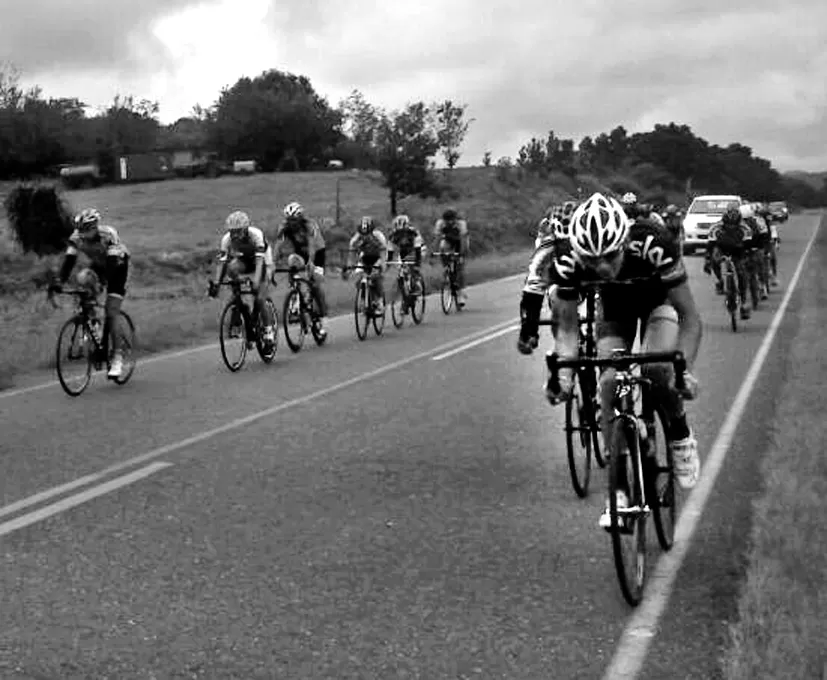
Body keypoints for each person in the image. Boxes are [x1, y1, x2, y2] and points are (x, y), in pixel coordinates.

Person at [519, 192, 702, 527]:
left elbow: (690, 318)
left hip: (656, 304)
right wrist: (562, 378)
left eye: (609, 255)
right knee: (607, 384)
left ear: (624, 241)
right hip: (615, 310)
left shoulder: (653, 243)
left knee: (658, 370)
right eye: (592, 261)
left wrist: (684, 370)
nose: (602, 267)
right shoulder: (566, 263)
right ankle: (617, 490)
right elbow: (568, 330)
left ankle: (679, 430)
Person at [51, 208, 130, 379]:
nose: (83, 234)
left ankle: (117, 357)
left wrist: (102, 283)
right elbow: (68, 262)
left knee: (111, 312)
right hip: (100, 266)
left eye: (86, 229)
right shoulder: (76, 238)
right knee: (83, 279)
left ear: (95, 227)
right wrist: (58, 281)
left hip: (117, 266)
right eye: (80, 230)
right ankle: (94, 327)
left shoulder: (108, 235)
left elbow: (111, 265)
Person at [208, 210, 276, 346]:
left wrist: (256, 282)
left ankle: (269, 331)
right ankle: (238, 300)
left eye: (238, 231)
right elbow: (222, 262)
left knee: (260, 298)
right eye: (232, 231)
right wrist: (216, 283)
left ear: (245, 229)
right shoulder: (226, 239)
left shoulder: (256, 235)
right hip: (244, 259)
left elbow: (259, 262)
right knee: (231, 267)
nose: (235, 235)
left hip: (263, 261)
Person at [273, 201, 328, 339]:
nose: (292, 223)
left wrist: (310, 262)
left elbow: (312, 246)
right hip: (300, 253)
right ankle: (295, 295)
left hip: (318, 252)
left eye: (294, 220)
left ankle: (323, 319)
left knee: (315, 283)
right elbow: (278, 245)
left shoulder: (309, 225)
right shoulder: (284, 227)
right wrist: (273, 263)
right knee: (292, 261)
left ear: (300, 218)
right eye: (289, 220)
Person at [703, 205, 755, 319]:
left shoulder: (745, 229)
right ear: (724, 221)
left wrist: (749, 260)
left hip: (738, 252)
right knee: (714, 257)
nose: (731, 227)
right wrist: (707, 261)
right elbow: (710, 246)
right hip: (722, 249)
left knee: (742, 273)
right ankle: (720, 281)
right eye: (728, 225)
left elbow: (748, 248)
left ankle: (744, 303)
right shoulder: (715, 228)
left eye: (734, 225)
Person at [346, 216, 389, 313]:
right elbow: (351, 253)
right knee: (360, 280)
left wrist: (382, 264)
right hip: (365, 258)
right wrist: (349, 266)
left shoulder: (378, 236)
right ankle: (365, 299)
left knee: (375, 277)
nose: (364, 236)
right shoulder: (356, 238)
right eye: (362, 233)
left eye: (367, 233)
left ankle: (379, 301)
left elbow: (383, 251)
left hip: (377, 257)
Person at [433, 208, 470, 307]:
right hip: (448, 240)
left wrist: (461, 254)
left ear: (455, 219)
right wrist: (433, 252)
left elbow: (463, 240)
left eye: (451, 220)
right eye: (447, 220)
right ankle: (447, 269)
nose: (449, 222)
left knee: (459, 267)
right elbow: (437, 239)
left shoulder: (461, 224)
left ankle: (460, 293)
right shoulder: (440, 224)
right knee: (442, 247)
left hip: (460, 241)